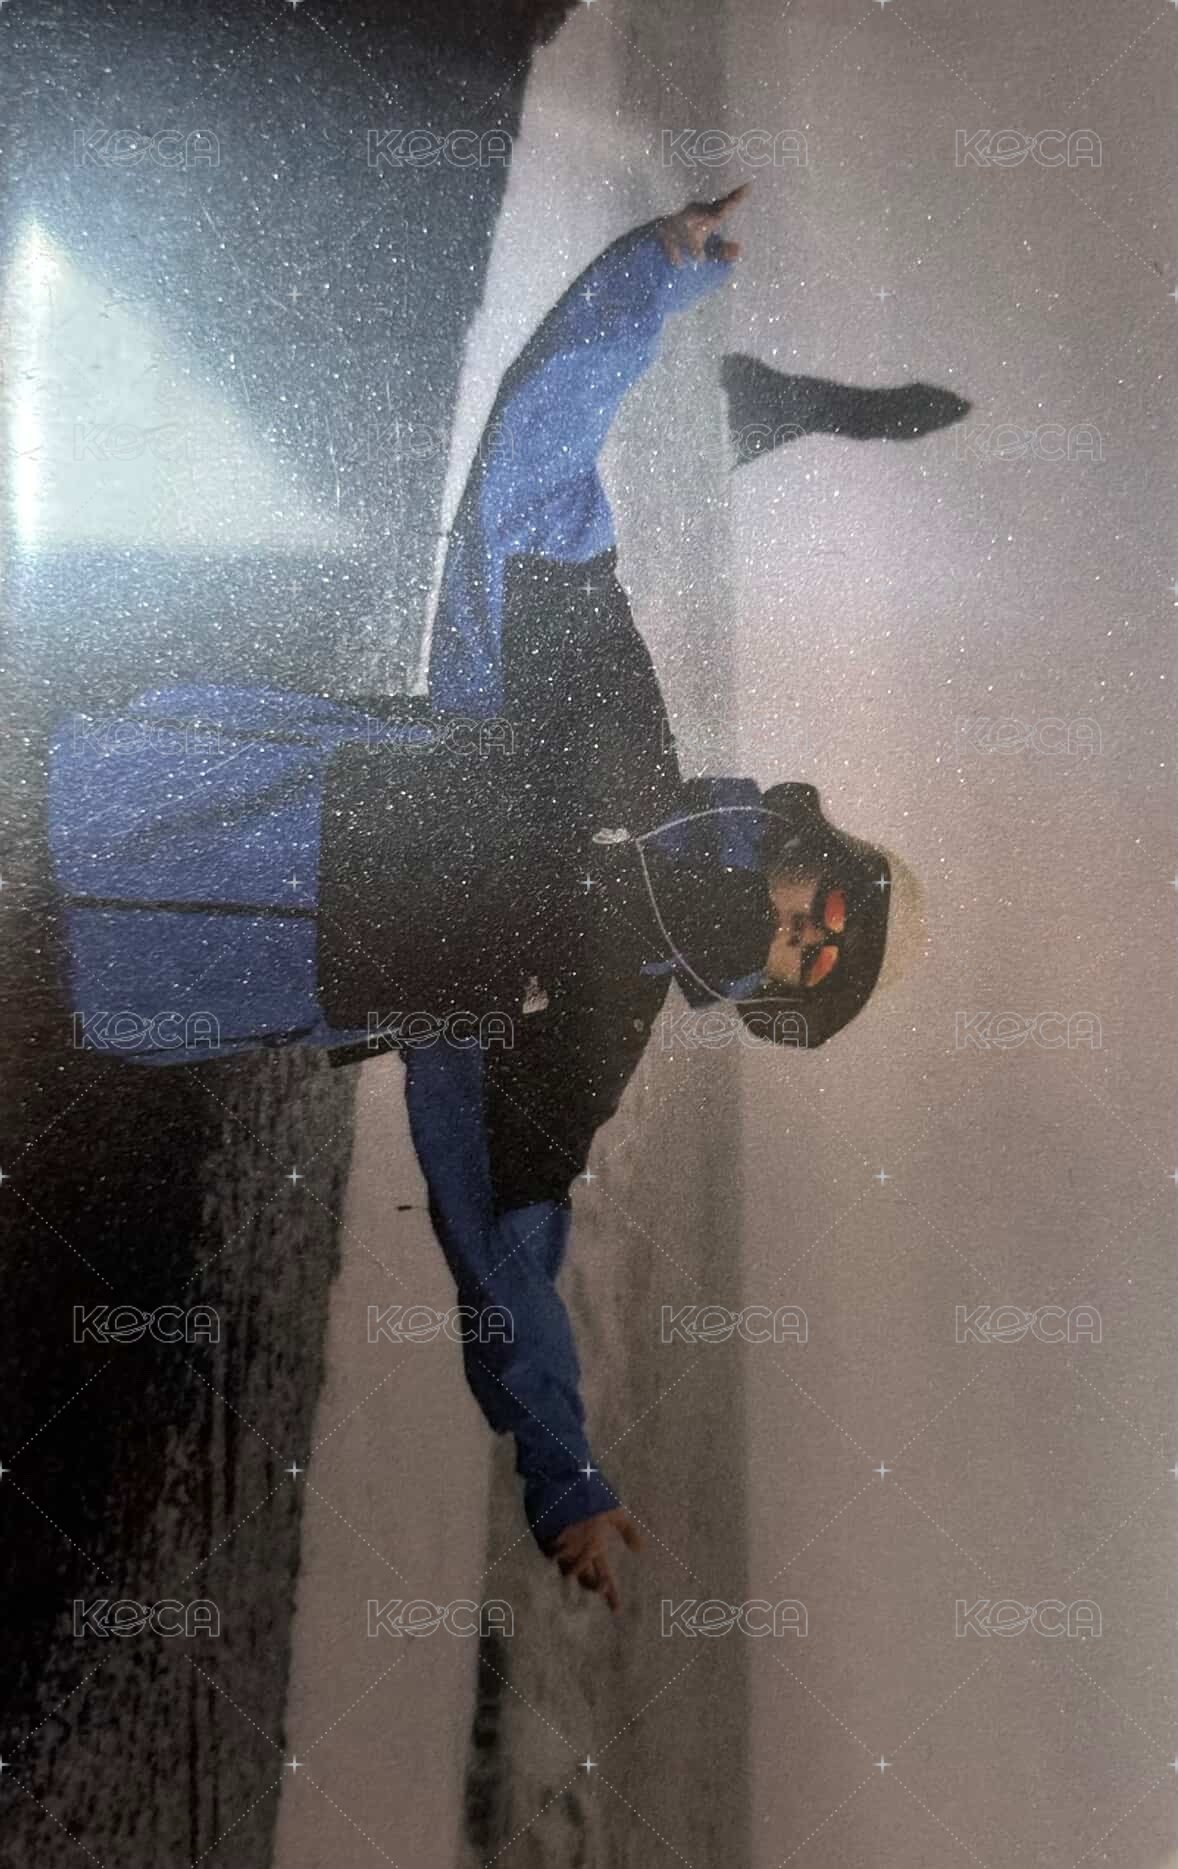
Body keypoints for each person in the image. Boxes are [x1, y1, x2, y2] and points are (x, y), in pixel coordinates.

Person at [50, 189, 933, 1610]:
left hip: (116, 992)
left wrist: (565, 1474)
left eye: (811, 968)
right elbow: (533, 465)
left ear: (775, 1003)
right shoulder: (609, 725)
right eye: (823, 910)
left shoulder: (587, 1037)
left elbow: (508, 1260)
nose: (797, 937)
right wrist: (648, 275)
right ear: (801, 847)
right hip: (111, 794)